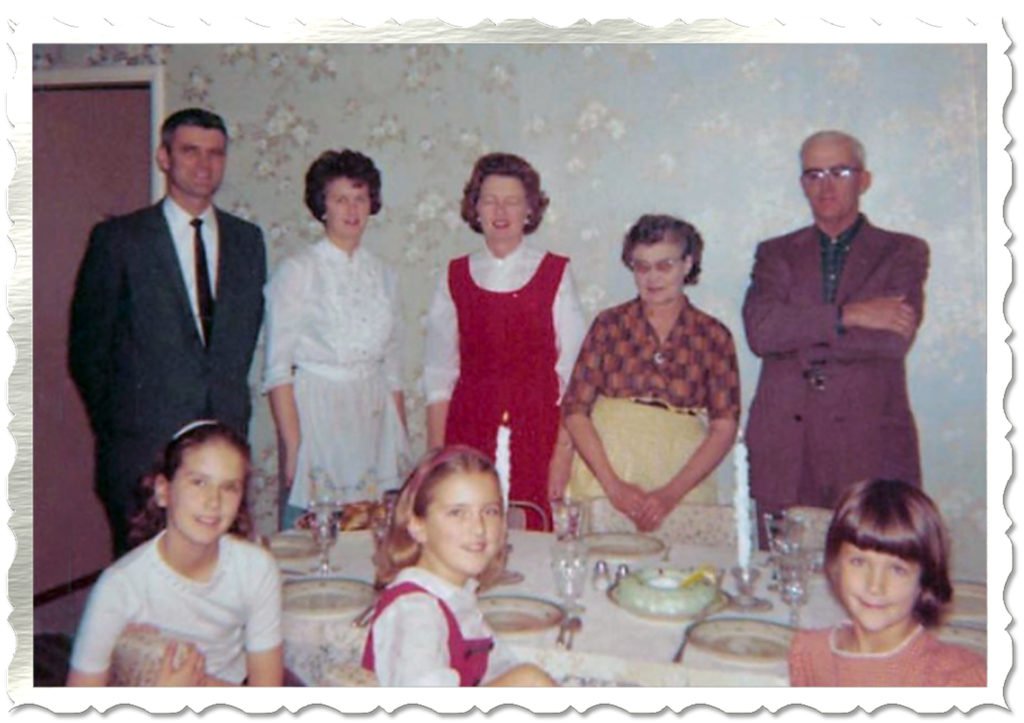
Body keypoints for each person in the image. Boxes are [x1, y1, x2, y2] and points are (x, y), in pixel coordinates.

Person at [69, 107, 267, 557]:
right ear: (164, 157)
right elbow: (87, 353)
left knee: (217, 583)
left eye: (216, 153)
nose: (204, 164)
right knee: (145, 592)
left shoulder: (247, 241)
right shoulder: (120, 240)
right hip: (143, 453)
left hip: (223, 452)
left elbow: (239, 343)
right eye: (190, 151)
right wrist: (126, 427)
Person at [743, 130, 929, 531]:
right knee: (782, 573)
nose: (825, 185)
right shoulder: (775, 253)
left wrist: (795, 334)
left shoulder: (902, 251)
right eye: (813, 174)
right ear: (802, 184)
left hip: (868, 443)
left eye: (839, 172)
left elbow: (890, 341)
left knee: (867, 570)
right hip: (785, 443)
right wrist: (850, 314)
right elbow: (761, 332)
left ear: (864, 180)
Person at [423, 153, 585, 530]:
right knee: (468, 531)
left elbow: (573, 378)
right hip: (469, 429)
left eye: (512, 201)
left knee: (533, 532)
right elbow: (438, 375)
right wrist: (435, 456)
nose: (501, 210)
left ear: (529, 210)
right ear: (475, 208)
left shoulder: (555, 273)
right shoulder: (454, 275)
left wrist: (562, 454)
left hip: (539, 431)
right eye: (490, 199)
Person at [66, 421, 284, 686]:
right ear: (163, 491)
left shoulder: (256, 567)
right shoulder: (120, 586)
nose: (213, 501)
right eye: (198, 482)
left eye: (229, 487)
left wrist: (199, 687)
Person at [562, 214, 740, 533]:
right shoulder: (609, 325)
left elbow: (724, 426)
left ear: (688, 264)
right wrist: (614, 487)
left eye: (664, 265)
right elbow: (575, 410)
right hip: (607, 472)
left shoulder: (714, 336)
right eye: (641, 266)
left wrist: (671, 495)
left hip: (681, 479)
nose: (652, 277)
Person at [263, 149, 409, 529]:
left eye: (360, 198)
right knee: (317, 532)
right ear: (321, 205)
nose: (352, 209)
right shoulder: (298, 271)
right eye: (340, 198)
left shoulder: (384, 275)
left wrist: (401, 446)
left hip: (374, 417)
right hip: (319, 415)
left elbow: (392, 369)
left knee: (375, 528)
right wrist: (294, 448)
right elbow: (278, 370)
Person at [361, 446, 556, 686]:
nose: (478, 528)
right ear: (417, 525)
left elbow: (498, 668)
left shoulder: (455, 596)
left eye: (490, 511)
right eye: (457, 513)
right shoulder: (415, 611)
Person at [788, 478, 985, 686]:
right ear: (835, 565)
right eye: (858, 561)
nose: (875, 586)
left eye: (897, 569)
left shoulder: (956, 679)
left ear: (925, 579)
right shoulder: (810, 654)